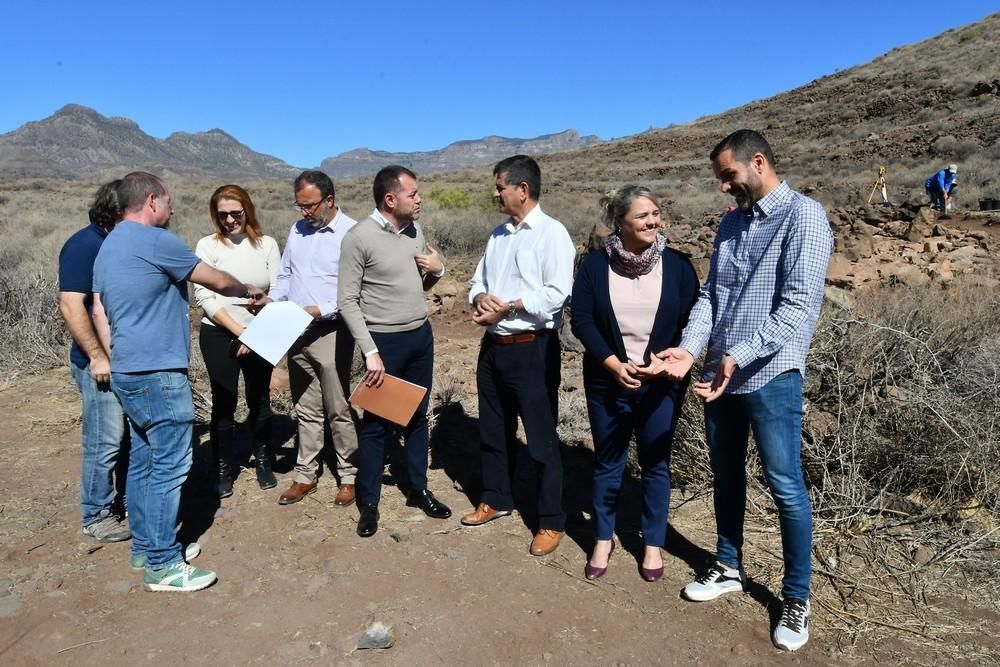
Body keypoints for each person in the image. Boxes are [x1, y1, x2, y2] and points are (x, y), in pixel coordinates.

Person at [659, 130, 833, 651]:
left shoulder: (804, 216)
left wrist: (742, 352)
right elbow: (713, 296)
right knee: (726, 473)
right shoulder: (732, 223)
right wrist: (692, 349)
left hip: (771, 373)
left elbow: (801, 305)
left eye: (729, 177)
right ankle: (728, 565)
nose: (725, 188)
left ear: (758, 163)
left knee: (785, 486)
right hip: (721, 373)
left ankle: (796, 597)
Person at [93, 171, 265, 592]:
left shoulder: (109, 244)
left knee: (143, 461)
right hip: (159, 371)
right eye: (167, 202)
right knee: (170, 465)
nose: (170, 210)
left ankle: (146, 547)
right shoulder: (156, 241)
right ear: (152, 201)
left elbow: (99, 310)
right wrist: (250, 291)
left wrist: (115, 355)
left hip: (127, 369)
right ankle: (164, 564)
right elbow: (215, 279)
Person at [570, 186, 699, 582]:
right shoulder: (595, 266)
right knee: (609, 461)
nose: (652, 221)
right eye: (642, 216)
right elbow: (583, 321)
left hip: (660, 384)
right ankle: (604, 538)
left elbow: (694, 320)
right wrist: (611, 364)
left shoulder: (678, 265)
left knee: (656, 463)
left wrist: (669, 359)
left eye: (656, 213)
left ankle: (653, 543)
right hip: (608, 381)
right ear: (620, 223)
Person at [462, 155, 575, 557]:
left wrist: (508, 307)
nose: (495, 193)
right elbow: (478, 279)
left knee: (541, 440)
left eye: (500, 186)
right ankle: (496, 497)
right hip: (493, 348)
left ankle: (550, 520)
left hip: (532, 349)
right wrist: (479, 297)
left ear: (522, 190)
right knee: (493, 430)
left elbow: (557, 293)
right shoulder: (498, 235)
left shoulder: (552, 234)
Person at [337, 165, 452, 537]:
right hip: (383, 344)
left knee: (418, 415)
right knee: (375, 426)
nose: (419, 199)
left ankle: (418, 489)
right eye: (413, 194)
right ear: (391, 199)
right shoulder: (360, 237)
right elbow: (347, 301)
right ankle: (369, 504)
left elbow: (424, 280)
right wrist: (370, 351)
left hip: (420, 336)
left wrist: (439, 269)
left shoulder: (415, 231)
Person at [263, 170, 360, 507]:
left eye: (309, 205)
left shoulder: (351, 233)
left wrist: (320, 310)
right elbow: (286, 274)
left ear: (329, 200)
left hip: (332, 331)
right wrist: (273, 301)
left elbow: (355, 290)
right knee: (305, 407)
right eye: (299, 206)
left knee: (338, 407)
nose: (303, 212)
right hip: (295, 330)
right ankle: (306, 474)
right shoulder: (297, 229)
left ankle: (348, 475)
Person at [193, 185, 281, 497]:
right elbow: (203, 294)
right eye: (223, 215)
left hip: (263, 331)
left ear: (248, 209)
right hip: (219, 332)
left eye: (236, 213)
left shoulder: (267, 245)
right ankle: (223, 466)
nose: (230, 220)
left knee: (260, 400)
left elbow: (278, 290)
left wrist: (258, 331)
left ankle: (263, 459)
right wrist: (241, 332)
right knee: (224, 400)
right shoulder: (207, 246)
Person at [59, 180, 131, 543]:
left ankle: (123, 502)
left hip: (125, 361)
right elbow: (72, 305)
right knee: (105, 438)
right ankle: (97, 513)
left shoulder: (115, 244)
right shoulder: (85, 246)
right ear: (119, 212)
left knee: (126, 439)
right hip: (98, 363)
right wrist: (98, 356)